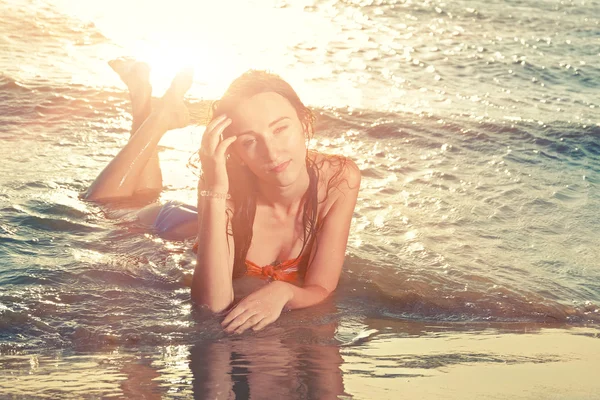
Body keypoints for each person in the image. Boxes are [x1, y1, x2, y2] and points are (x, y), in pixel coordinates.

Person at [84, 59, 361, 334]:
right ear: (237, 153)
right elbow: (211, 306)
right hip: (165, 227)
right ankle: (156, 117)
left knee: (142, 194)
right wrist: (214, 191)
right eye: (250, 141)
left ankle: (148, 102)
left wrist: (283, 292)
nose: (272, 151)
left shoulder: (338, 178)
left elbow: (322, 287)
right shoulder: (221, 188)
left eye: (280, 129)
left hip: (195, 223)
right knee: (105, 207)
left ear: (303, 121)